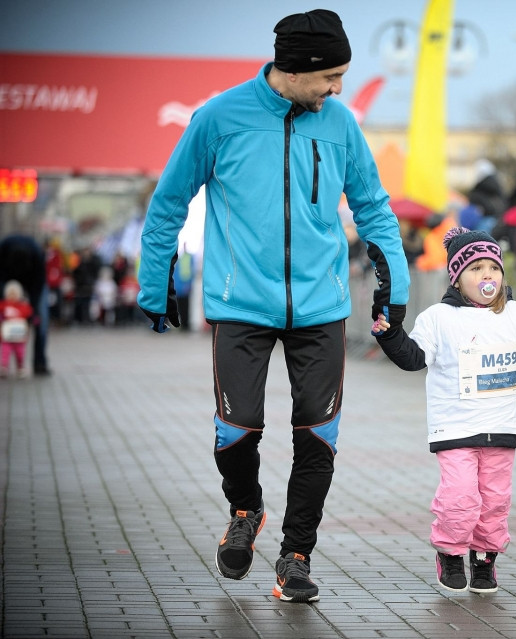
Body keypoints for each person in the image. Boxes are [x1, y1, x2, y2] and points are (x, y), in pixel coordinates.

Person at [136, 9, 410, 604]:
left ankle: (295, 555)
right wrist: (156, 283)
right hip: (241, 305)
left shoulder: (339, 124)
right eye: (331, 76)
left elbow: (374, 207)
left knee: (318, 435)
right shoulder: (217, 119)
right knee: (235, 432)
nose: (338, 88)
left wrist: (396, 286)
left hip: (322, 308)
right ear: (297, 68)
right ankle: (246, 508)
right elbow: (168, 202)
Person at [371, 227, 516, 594]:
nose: (487, 277)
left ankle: (484, 558)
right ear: (457, 278)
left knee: (495, 502)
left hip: (502, 428)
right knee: (460, 497)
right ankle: (449, 551)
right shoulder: (438, 318)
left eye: (493, 269)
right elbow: (413, 357)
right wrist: (389, 334)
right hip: (455, 430)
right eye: (476, 269)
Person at [0, 233, 51, 376]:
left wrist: (31, 312)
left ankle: (40, 363)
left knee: (41, 320)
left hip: (33, 280)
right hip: (6, 278)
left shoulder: (36, 254)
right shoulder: (3, 249)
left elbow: (38, 286)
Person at [0, 280, 33, 378]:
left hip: (19, 336)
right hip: (7, 336)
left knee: (20, 353)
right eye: (10, 294)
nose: (12, 296)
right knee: (5, 352)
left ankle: (20, 367)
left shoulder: (23, 307)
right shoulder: (4, 305)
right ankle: (4, 367)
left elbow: (30, 316)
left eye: (14, 294)